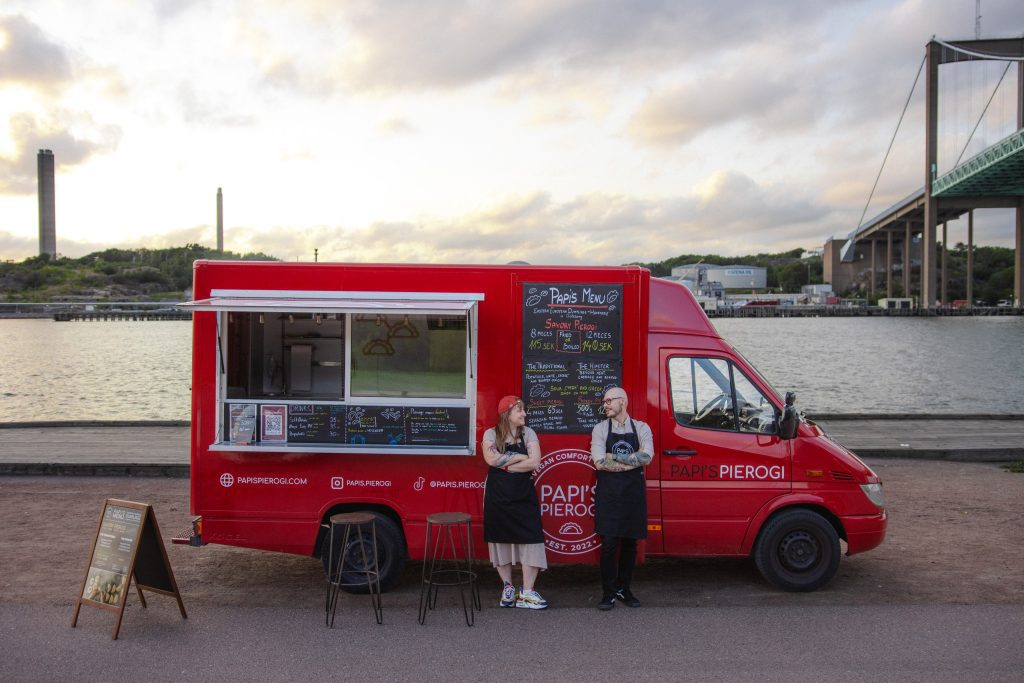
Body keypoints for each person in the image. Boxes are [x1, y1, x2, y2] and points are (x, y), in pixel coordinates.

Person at [481, 395, 549, 610]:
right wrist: (520, 457)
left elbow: (535, 461)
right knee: (499, 540)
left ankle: (527, 593)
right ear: (507, 414)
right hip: (497, 497)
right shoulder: (490, 433)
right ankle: (508, 588)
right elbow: (491, 459)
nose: (524, 414)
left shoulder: (529, 433)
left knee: (532, 540)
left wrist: (507, 464)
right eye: (520, 410)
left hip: (523, 495)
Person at [590, 386, 653, 610]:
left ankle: (624, 589)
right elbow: (599, 462)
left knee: (630, 544)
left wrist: (613, 457)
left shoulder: (642, 427)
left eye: (609, 401)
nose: (605, 405)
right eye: (604, 402)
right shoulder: (600, 429)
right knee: (608, 544)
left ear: (622, 402)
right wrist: (629, 461)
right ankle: (607, 593)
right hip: (609, 496)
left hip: (632, 495)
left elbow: (647, 456)